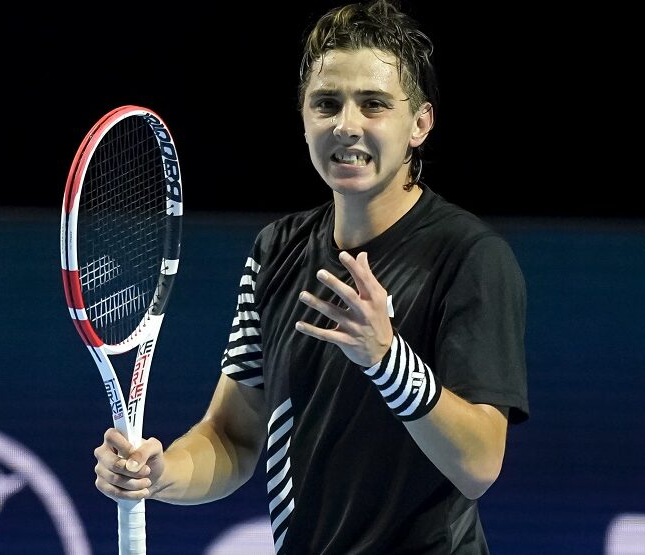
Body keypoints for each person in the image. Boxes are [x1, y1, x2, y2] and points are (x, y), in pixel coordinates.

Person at [93, 1, 529, 553]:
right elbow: (232, 437)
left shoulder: (470, 258)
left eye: (374, 104)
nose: (346, 125)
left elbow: (480, 463)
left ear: (420, 124)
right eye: (327, 104)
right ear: (303, 118)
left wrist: (386, 359)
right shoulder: (276, 250)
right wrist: (159, 474)